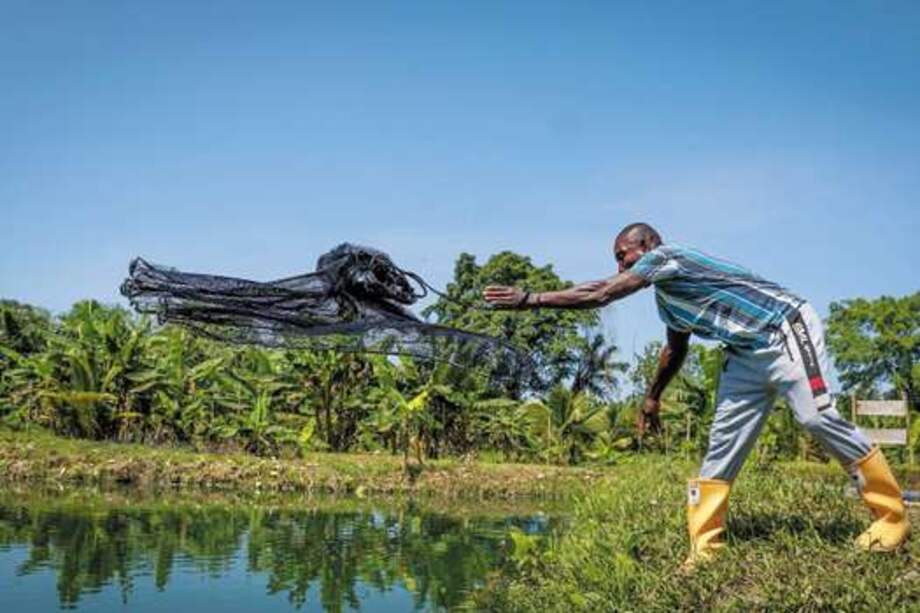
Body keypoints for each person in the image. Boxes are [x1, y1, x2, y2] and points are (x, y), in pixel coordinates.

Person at [482, 222, 910, 565]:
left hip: (783, 329)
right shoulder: (669, 301)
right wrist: (652, 397)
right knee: (721, 446)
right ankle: (705, 549)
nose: (619, 267)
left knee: (815, 417)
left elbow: (603, 293)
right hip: (743, 355)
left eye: (622, 256)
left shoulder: (670, 257)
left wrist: (531, 299)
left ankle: (890, 518)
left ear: (647, 244)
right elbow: (675, 347)